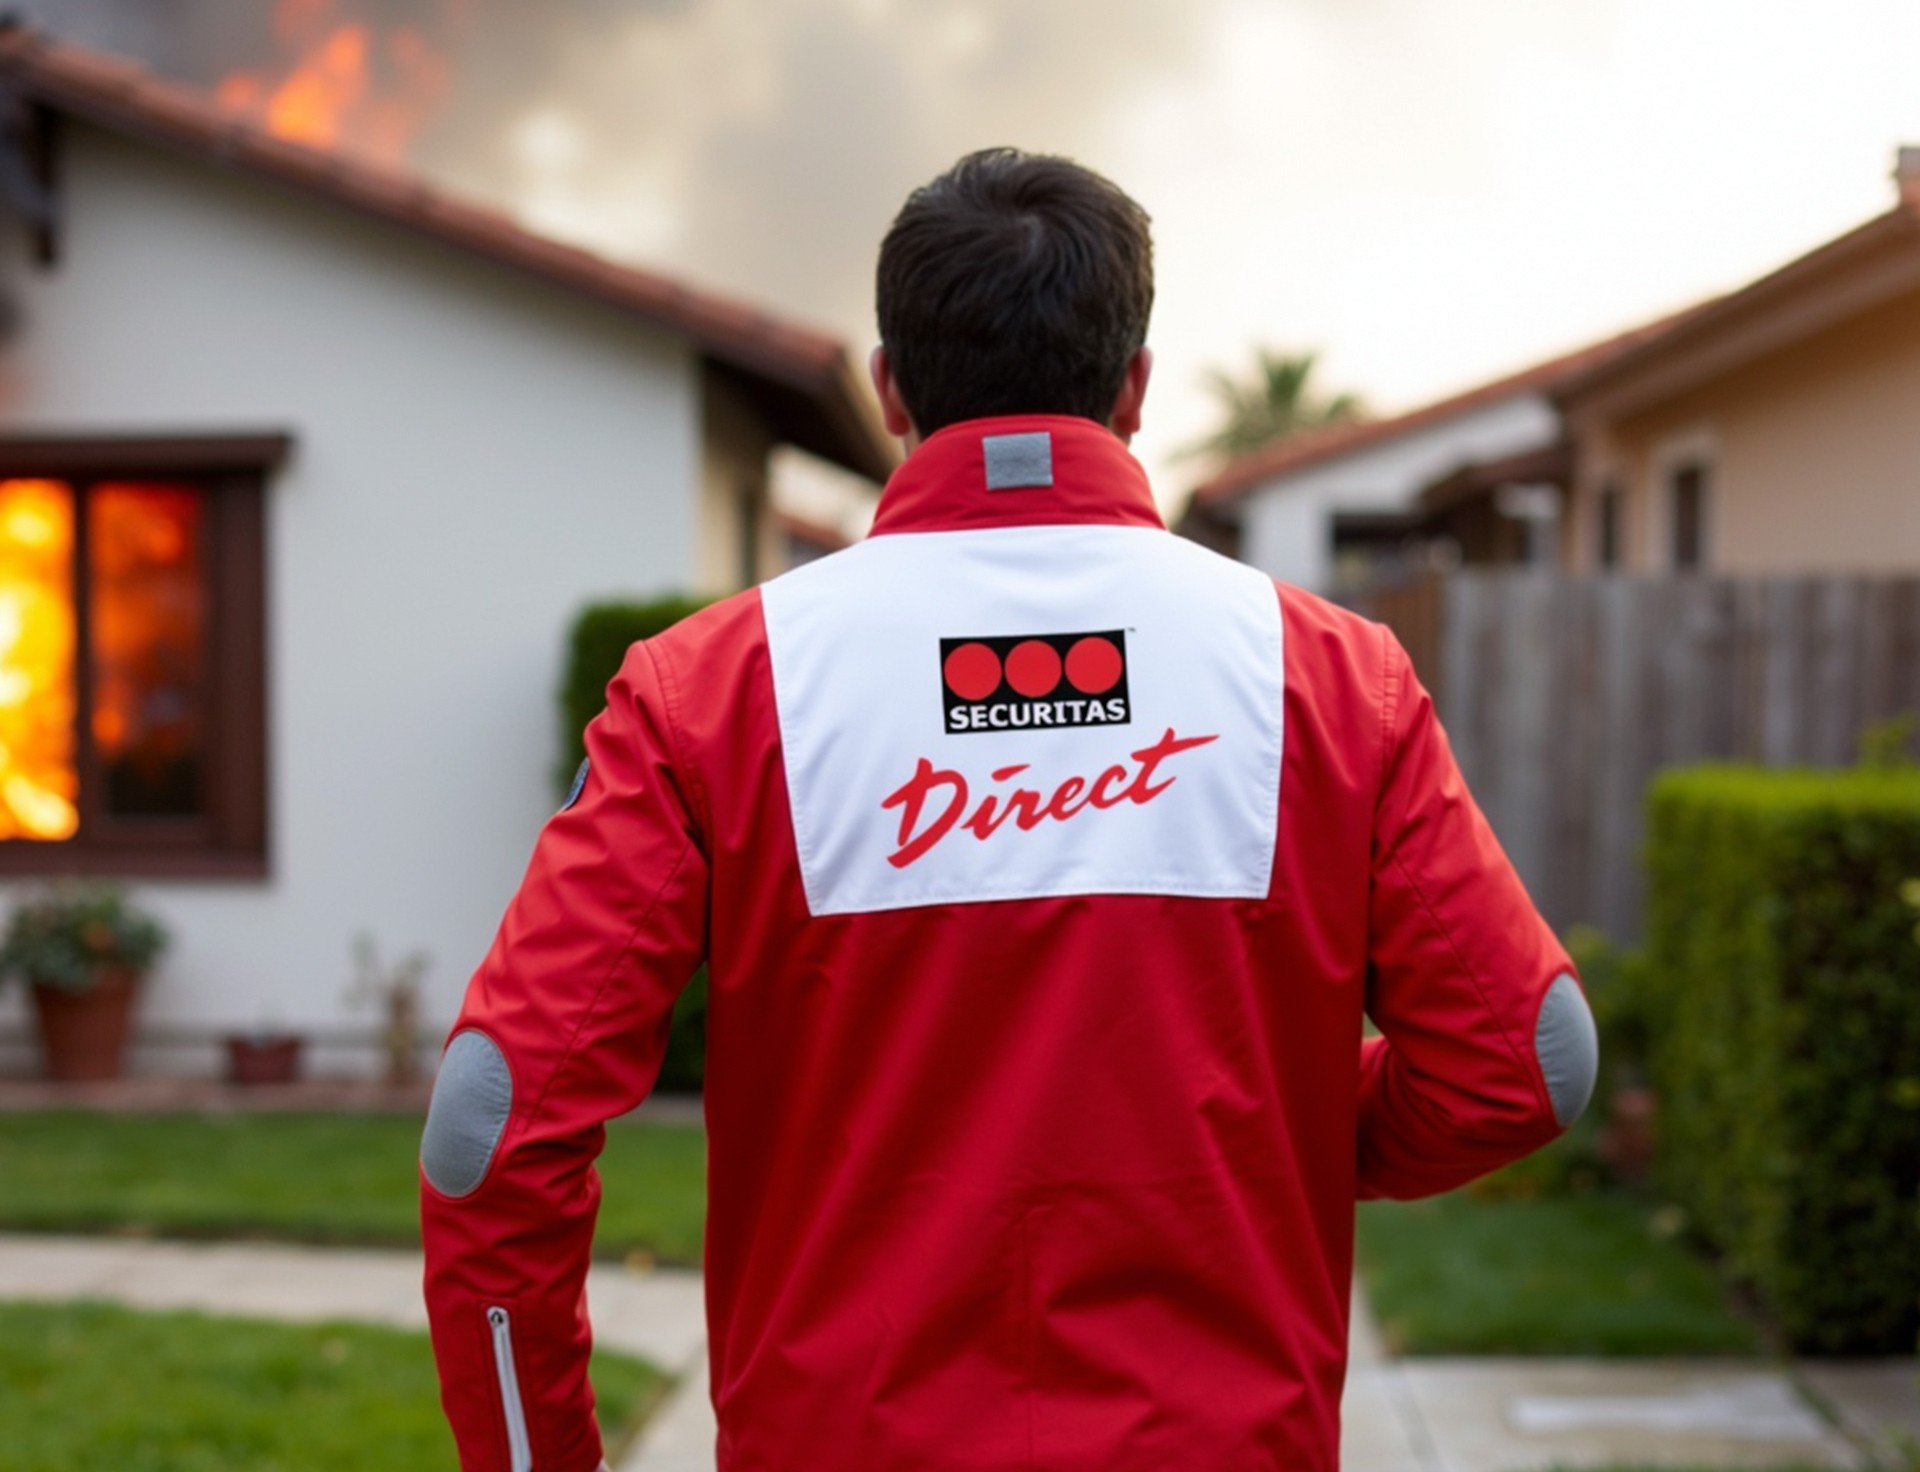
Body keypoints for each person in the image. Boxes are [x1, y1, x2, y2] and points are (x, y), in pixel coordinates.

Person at [419, 147, 1597, 1472]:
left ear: (890, 387)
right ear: (1135, 387)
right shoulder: (1330, 677)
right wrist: (1297, 1130)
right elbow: (1529, 1058)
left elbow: (491, 1123)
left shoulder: (710, 689)